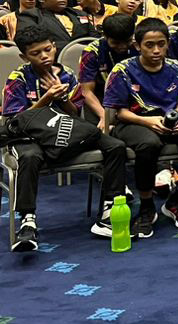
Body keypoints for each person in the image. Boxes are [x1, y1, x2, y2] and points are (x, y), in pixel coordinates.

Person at [5, 24, 129, 252]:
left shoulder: (67, 75)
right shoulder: (18, 78)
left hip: (67, 130)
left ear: (54, 46)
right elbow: (15, 122)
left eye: (47, 49)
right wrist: (46, 99)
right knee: (30, 157)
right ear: (24, 56)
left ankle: (109, 210)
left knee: (116, 146)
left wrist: (62, 98)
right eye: (36, 53)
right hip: (30, 137)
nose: (44, 56)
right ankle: (28, 221)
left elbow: (74, 113)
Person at [102, 17, 178, 238]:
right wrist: (148, 121)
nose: (156, 50)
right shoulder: (122, 70)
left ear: (167, 44)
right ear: (137, 46)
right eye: (149, 45)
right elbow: (119, 112)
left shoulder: (177, 68)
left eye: (161, 44)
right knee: (149, 144)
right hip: (133, 121)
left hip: (168, 120)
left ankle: (177, 200)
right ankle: (146, 206)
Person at [77, 12, 137, 130]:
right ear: (105, 36)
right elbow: (86, 92)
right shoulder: (92, 52)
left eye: (127, 41)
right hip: (100, 98)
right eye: (116, 43)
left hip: (133, 95)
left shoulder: (138, 45)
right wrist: (104, 116)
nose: (122, 46)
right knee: (97, 131)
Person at [19, 0, 94, 50]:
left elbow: (94, 36)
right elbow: (30, 40)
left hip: (87, 54)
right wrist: (72, 49)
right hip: (53, 55)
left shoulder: (79, 13)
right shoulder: (31, 15)